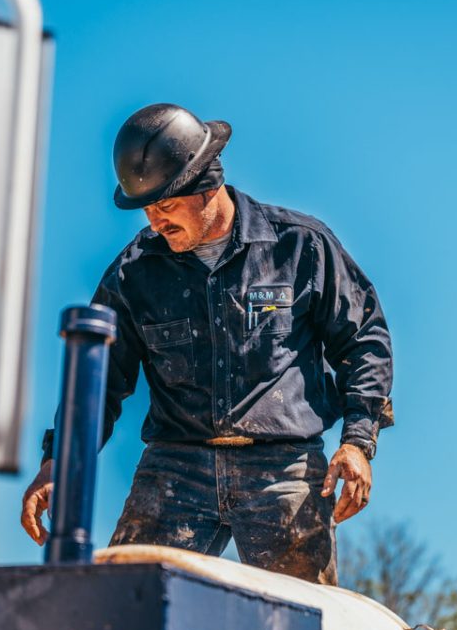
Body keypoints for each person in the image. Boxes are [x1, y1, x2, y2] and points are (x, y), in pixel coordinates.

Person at [21, 103, 394, 585]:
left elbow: (362, 338)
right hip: (177, 467)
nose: (155, 222)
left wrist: (358, 441)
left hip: (283, 467)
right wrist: (59, 461)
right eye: (148, 209)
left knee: (303, 625)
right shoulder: (135, 273)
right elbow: (99, 383)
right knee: (121, 600)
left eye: (166, 205)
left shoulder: (302, 247)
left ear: (207, 187)